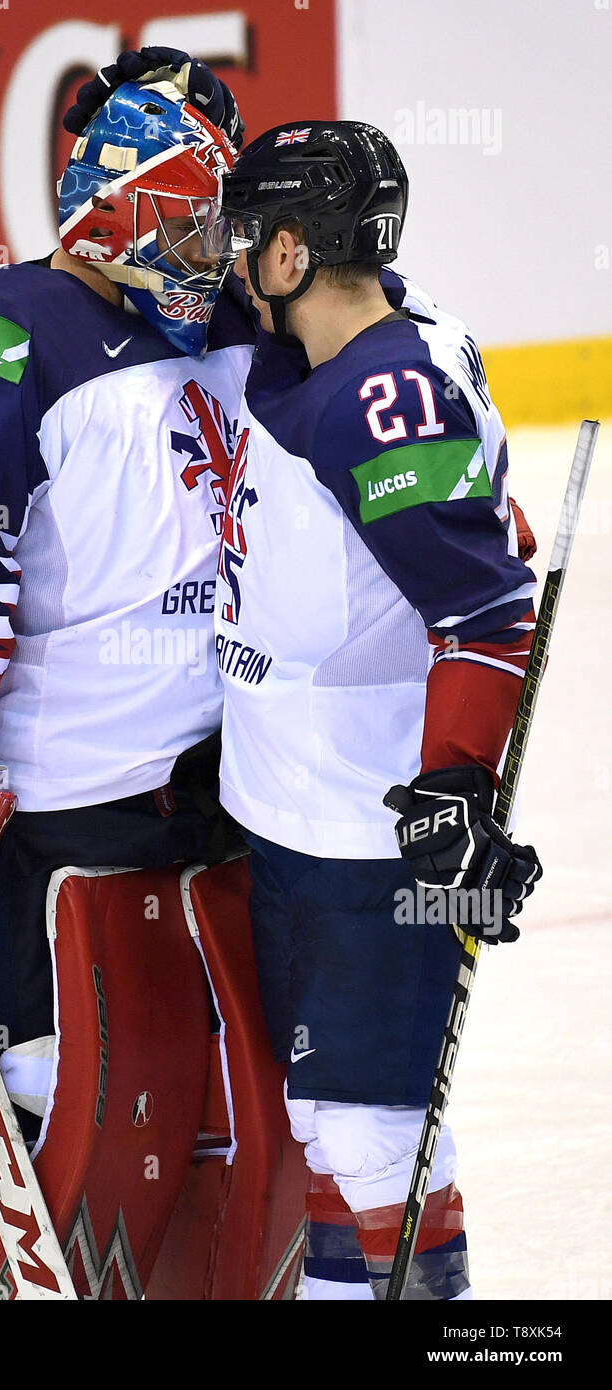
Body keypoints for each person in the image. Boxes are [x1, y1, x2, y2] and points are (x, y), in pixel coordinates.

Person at [0, 49, 254, 1299]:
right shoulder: (8, 334)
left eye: (217, 224)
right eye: (184, 219)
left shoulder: (229, 326)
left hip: (216, 809)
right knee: (32, 1122)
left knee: (188, 1120)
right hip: (53, 829)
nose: (208, 252)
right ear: (111, 206)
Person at [206, 120, 543, 1299]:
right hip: (284, 807)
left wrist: (452, 785)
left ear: (292, 253)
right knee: (327, 1122)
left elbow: (488, 608)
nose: (226, 258)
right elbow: (495, 531)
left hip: (361, 824)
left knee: (366, 1138)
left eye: (244, 238)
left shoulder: (379, 396)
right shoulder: (354, 343)